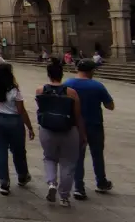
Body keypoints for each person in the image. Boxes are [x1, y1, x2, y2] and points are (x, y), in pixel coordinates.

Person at [35, 58, 86, 208]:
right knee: (68, 163)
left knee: (49, 158)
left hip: (47, 130)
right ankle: (64, 196)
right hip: (68, 130)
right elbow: (77, 116)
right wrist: (82, 134)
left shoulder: (40, 90)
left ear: (48, 74)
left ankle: (51, 183)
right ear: (62, 74)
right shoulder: (71, 93)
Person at [0, 63, 34, 195]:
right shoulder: (14, 89)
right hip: (14, 122)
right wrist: (30, 127)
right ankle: (22, 175)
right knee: (19, 150)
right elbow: (21, 110)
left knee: (0, 151)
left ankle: (4, 182)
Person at [64, 59, 114, 199]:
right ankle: (101, 182)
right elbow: (110, 105)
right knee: (97, 155)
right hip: (95, 124)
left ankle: (79, 187)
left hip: (75, 126)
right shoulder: (97, 86)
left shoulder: (68, 84)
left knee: (78, 157)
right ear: (91, 71)